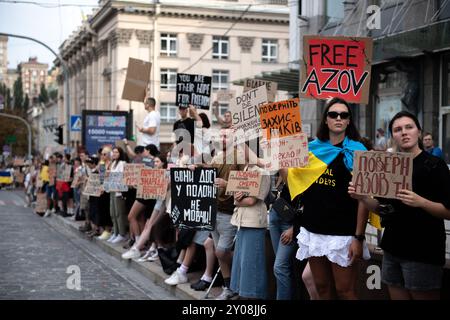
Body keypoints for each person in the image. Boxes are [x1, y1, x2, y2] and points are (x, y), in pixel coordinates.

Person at [349, 111, 450, 300]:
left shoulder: (435, 165)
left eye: (409, 127)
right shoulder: (389, 165)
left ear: (418, 132)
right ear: (392, 136)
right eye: (397, 129)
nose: (404, 132)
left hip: (423, 252)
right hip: (392, 249)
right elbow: (380, 208)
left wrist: (421, 202)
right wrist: (362, 197)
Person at [283, 97, 370, 300]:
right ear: (325, 120)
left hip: (344, 233)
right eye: (333, 114)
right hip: (314, 230)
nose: (338, 118)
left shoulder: (360, 152)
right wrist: (282, 158)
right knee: (321, 288)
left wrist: (358, 237)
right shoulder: (311, 149)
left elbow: (364, 199)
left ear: (349, 120)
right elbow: (293, 182)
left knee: (345, 291)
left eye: (344, 115)